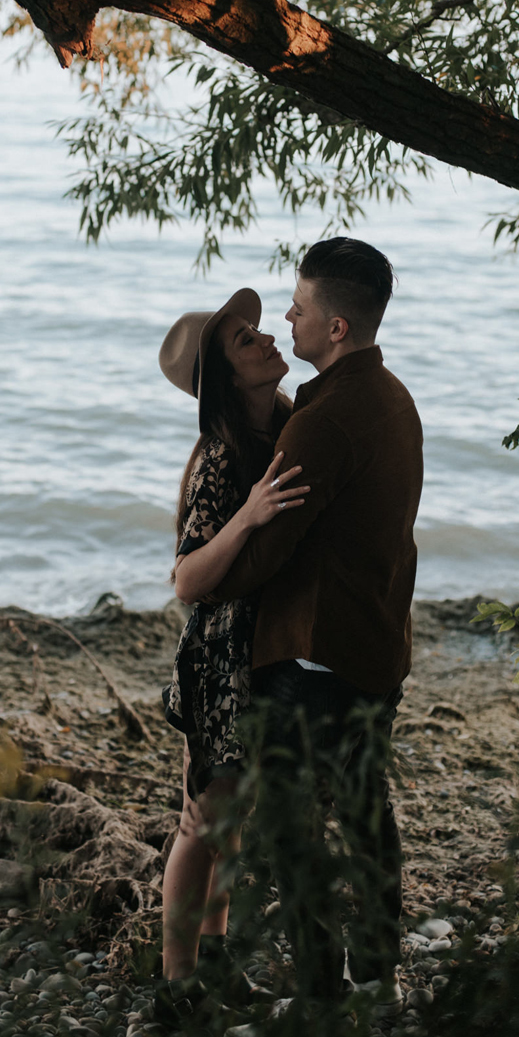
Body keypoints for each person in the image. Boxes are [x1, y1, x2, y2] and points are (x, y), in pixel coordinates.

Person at [197, 236, 423, 1003]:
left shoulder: (323, 421)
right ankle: (378, 977)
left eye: (297, 308)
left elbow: (266, 550)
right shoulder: (392, 398)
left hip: (316, 661)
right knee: (365, 818)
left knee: (294, 836)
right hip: (376, 648)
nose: (285, 317)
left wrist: (209, 575)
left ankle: (324, 996)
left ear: (336, 329)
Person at [156, 289, 305, 984]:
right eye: (246, 339)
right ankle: (178, 980)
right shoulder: (220, 457)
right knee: (203, 823)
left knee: (231, 820)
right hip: (219, 658)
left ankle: (216, 962)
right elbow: (187, 578)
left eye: (258, 329)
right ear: (225, 376)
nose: (267, 337)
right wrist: (246, 516)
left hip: (260, 648)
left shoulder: (284, 423)